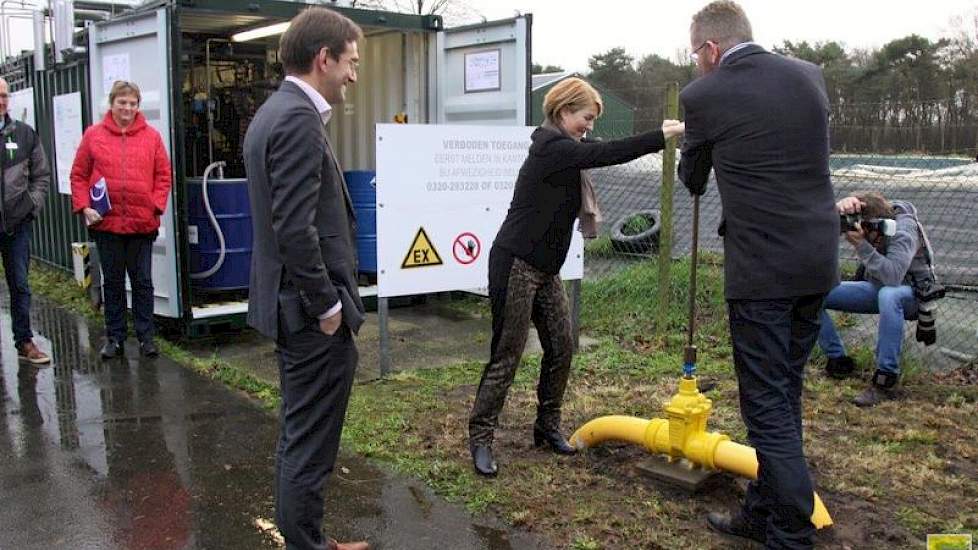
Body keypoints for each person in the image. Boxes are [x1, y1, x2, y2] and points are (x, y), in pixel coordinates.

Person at [677, 2, 839, 548]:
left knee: (766, 401)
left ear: (710, 50)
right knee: (784, 390)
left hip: (763, 270)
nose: (697, 66)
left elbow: (694, 178)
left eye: (695, 55)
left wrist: (693, 145)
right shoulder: (809, 75)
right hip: (817, 261)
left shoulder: (704, 94)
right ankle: (762, 509)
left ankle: (791, 530)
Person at [468, 76, 685, 477]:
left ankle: (546, 427)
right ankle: (481, 437)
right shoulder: (552, 148)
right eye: (586, 118)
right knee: (507, 354)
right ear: (564, 112)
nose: (589, 126)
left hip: (545, 269)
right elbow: (608, 154)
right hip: (516, 263)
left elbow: (597, 151)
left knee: (562, 347)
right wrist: (661, 135)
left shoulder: (570, 149)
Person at [242, 7, 368, 550]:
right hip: (308, 311)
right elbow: (294, 229)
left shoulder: (276, 110)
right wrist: (328, 308)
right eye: (351, 62)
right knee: (308, 443)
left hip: (292, 305)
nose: (354, 75)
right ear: (324, 58)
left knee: (303, 436)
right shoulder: (295, 118)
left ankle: (308, 537)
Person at [70, 80, 172, 359]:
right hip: (108, 225)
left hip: (141, 224)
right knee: (113, 282)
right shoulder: (94, 135)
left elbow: (164, 175)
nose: (127, 108)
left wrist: (155, 205)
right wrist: (83, 206)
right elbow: (78, 175)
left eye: (132, 103)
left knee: (142, 282)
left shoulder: (151, 137)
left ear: (138, 106)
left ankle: (146, 337)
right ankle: (114, 337)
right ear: (112, 104)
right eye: (122, 102)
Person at [819, 192, 936, 407]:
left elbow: (892, 277)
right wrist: (838, 210)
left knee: (889, 294)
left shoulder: (903, 230)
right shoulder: (869, 226)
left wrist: (862, 246)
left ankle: (885, 380)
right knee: (814, 293)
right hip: (877, 288)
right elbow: (817, 228)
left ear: (876, 226)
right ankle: (839, 361)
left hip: (913, 293)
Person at [0, 77, 52, 365]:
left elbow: (41, 174)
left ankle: (25, 341)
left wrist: (32, 204)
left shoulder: (24, 134)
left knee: (20, 284)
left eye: (5, 95)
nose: (2, 100)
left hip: (16, 223)